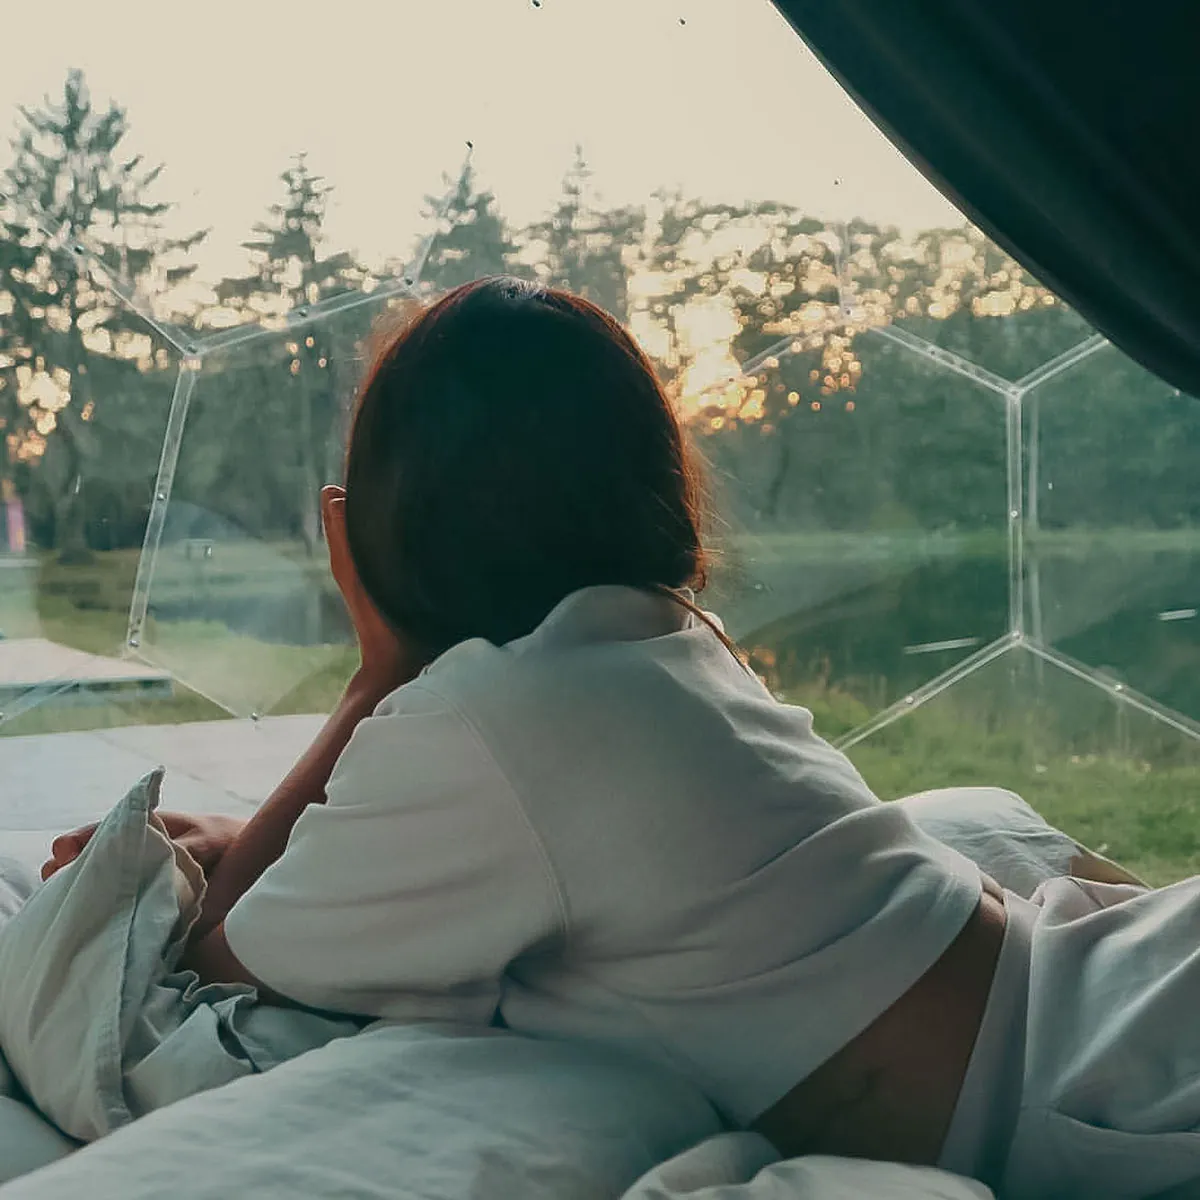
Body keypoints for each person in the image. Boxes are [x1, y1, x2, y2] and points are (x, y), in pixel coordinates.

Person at [41, 278, 1200, 1197]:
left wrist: (376, 673)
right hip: (1101, 998)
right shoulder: (659, 643)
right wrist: (256, 824)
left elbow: (230, 945)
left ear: (393, 518)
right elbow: (558, 831)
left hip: (1103, 1081)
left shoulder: (486, 718)